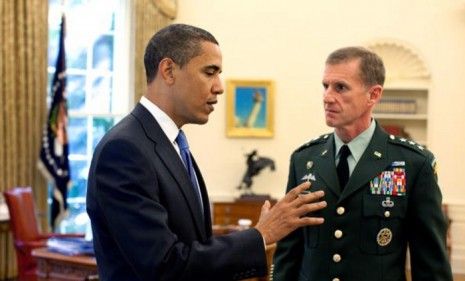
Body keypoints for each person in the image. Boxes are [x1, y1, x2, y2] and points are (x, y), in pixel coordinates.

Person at [86, 23, 327, 281]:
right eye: (209, 72)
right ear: (168, 71)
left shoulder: (173, 142)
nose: (219, 87)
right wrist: (260, 236)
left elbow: (193, 245)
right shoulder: (124, 150)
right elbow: (164, 265)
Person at [273, 46, 453, 281]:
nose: (327, 97)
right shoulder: (305, 160)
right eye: (325, 86)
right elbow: (289, 252)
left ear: (374, 95)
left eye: (340, 87)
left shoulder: (413, 164)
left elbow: (430, 264)